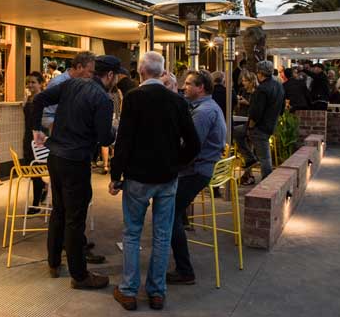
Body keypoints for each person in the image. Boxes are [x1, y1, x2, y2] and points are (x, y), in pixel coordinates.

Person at [109, 51, 200, 311]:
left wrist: (116, 175)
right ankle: (157, 292)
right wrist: (177, 163)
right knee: (162, 235)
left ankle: (128, 290)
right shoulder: (177, 101)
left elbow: (124, 141)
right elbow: (194, 143)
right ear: (162, 72)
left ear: (140, 72)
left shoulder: (133, 98)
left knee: (132, 233)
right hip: (167, 178)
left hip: (137, 177)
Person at [31, 55, 120, 290]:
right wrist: (114, 131)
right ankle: (79, 275)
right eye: (117, 76)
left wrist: (36, 129)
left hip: (55, 157)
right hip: (75, 160)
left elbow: (38, 99)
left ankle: (53, 263)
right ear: (109, 75)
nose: (117, 81)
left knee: (58, 211)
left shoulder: (71, 84)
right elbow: (104, 138)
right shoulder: (103, 99)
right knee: (75, 218)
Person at [168, 70, 226, 285]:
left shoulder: (203, 113)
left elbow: (191, 148)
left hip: (197, 171)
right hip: (202, 168)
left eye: (189, 84)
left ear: (201, 88)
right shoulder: (206, 107)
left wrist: (170, 165)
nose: (184, 87)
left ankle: (185, 271)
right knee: (173, 209)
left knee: (167, 213)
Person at [234, 61, 285, 182]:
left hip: (259, 127)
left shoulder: (262, 89)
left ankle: (266, 184)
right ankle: (249, 158)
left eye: (257, 72)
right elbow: (282, 107)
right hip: (270, 124)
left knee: (264, 157)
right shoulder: (278, 85)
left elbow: (256, 112)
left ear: (260, 73)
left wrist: (251, 127)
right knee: (236, 132)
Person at [41, 52, 96, 132]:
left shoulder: (82, 83)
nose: (92, 76)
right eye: (90, 72)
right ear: (79, 67)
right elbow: (47, 116)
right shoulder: (58, 83)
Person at [23, 71, 47, 214]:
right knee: (31, 169)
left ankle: (36, 204)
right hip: (27, 136)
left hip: (38, 137)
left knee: (36, 170)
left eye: (33, 82)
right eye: (28, 82)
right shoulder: (29, 98)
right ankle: (44, 188)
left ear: (41, 84)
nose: (30, 85)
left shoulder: (43, 99)